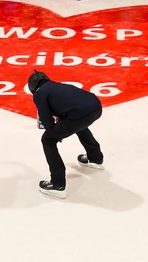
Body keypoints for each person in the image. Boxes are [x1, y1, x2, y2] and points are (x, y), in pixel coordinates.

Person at [29, 71, 104, 199]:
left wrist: (55, 133)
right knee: (79, 124)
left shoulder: (39, 94)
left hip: (78, 114)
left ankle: (57, 184)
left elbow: (46, 120)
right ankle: (95, 157)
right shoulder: (56, 86)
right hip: (96, 107)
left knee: (48, 139)